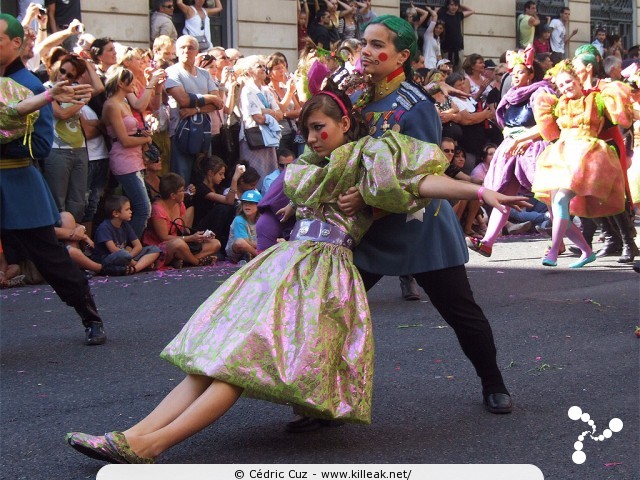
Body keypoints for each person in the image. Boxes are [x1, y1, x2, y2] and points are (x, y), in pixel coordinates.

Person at [65, 86, 528, 465]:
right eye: (306, 129)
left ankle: (150, 445)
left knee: (239, 361)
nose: (311, 136)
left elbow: (422, 182)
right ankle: (131, 434)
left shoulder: (372, 156)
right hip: (285, 267)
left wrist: (481, 191)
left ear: (346, 124)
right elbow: (305, 195)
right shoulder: (311, 163)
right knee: (216, 357)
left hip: (324, 275)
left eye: (319, 127)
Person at [302, 15, 515, 430]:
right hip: (367, 231)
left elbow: (423, 175)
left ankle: (493, 382)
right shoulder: (355, 96)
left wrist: (372, 200)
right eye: (363, 42)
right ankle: (323, 401)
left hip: (418, 228)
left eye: (376, 44)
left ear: (402, 55)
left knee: (460, 311)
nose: (365, 51)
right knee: (330, 312)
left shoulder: (415, 106)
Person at [0, 13, 106, 345]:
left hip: (18, 182)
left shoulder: (33, 86)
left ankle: (90, 316)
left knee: (51, 259)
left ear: (17, 44)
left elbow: (43, 146)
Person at [532, 61, 630, 267]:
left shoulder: (596, 99)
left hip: (588, 156)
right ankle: (586, 251)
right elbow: (547, 132)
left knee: (560, 202)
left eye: (569, 81)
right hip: (562, 155)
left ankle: (553, 252)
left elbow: (621, 113)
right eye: (561, 85)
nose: (566, 87)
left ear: (577, 80)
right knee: (560, 209)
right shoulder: (558, 105)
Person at [468, 46, 554, 257]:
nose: (515, 77)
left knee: (549, 196)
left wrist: (525, 139)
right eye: (513, 74)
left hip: (534, 148)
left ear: (532, 74)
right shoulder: (511, 96)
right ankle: (487, 242)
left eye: (521, 73)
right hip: (512, 148)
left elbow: (547, 125)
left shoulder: (541, 92)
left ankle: (559, 240)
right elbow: (505, 123)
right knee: (504, 195)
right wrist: (510, 138)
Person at [102, 66, 154, 239]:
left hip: (135, 157)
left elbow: (131, 131)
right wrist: (145, 140)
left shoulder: (124, 103)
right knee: (143, 209)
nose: (134, 84)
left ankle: (130, 244)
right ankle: (130, 245)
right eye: (130, 80)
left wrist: (142, 134)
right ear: (121, 83)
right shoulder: (111, 105)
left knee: (138, 208)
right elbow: (123, 140)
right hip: (123, 160)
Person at [165, 35, 224, 184]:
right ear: (176, 51)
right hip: (181, 132)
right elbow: (183, 100)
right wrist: (208, 97)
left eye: (190, 47)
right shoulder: (172, 72)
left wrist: (196, 109)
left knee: (204, 178)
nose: (186, 51)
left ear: (197, 51)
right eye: (182, 48)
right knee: (182, 179)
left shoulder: (204, 73)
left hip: (203, 132)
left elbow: (218, 103)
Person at [142, 172, 220, 268]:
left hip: (180, 242)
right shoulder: (157, 209)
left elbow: (183, 230)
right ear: (173, 195)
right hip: (162, 247)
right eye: (182, 190)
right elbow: (163, 238)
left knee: (215, 243)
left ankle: (183, 259)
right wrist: (190, 238)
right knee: (178, 244)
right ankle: (196, 262)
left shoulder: (179, 204)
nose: (185, 193)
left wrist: (201, 236)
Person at [236, 54, 283, 191]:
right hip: (253, 139)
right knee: (254, 176)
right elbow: (257, 118)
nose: (263, 69)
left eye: (264, 66)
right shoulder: (247, 90)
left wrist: (264, 111)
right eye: (259, 66)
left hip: (269, 140)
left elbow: (280, 114)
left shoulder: (266, 90)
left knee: (270, 175)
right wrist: (270, 113)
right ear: (250, 71)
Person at [91, 195, 161, 274]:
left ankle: (135, 268)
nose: (130, 212)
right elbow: (113, 250)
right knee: (123, 254)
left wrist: (130, 256)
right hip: (109, 258)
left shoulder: (125, 224)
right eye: (127, 209)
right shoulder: (104, 228)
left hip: (126, 256)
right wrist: (129, 258)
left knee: (155, 249)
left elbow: (138, 246)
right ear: (116, 213)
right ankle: (141, 265)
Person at [192, 157, 243, 250]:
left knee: (235, 206)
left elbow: (231, 202)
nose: (223, 177)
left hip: (218, 227)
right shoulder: (200, 188)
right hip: (202, 227)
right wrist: (234, 179)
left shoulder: (218, 188)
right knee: (222, 209)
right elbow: (228, 201)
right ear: (210, 173)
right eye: (220, 174)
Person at [224, 189, 261, 263]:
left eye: (251, 203)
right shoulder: (239, 219)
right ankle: (259, 257)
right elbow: (245, 242)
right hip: (237, 251)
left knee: (279, 240)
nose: (247, 205)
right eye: (245, 203)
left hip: (256, 247)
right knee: (240, 242)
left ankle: (251, 256)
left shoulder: (262, 219)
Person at [437, 0, 473, 70]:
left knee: (459, 71)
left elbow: (471, 11)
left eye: (456, 5)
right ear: (448, 5)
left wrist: (459, 5)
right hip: (446, 50)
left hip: (458, 50)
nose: (454, 7)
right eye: (452, 5)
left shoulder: (458, 15)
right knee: (447, 71)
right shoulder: (442, 15)